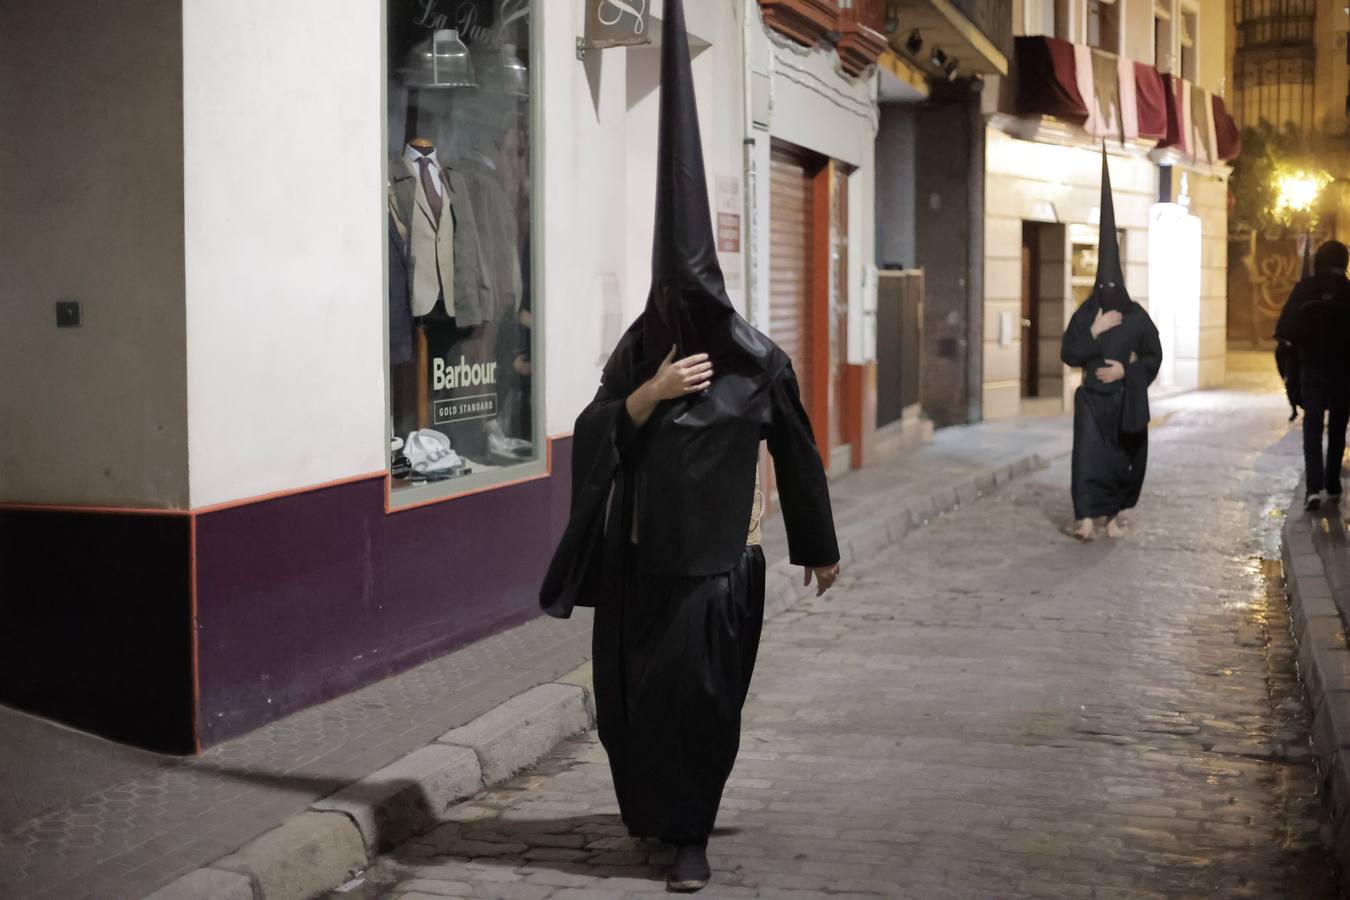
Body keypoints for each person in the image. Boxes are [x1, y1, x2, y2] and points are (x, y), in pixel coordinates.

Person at [539, 1, 840, 892]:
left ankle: (692, 835)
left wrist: (816, 551)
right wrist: (651, 393)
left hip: (715, 571)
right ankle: (652, 816)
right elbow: (596, 432)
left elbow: (798, 452)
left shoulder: (757, 360)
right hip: (639, 568)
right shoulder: (640, 350)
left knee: (702, 705)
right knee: (631, 713)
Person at [1060, 148, 1164, 541]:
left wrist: (1128, 371)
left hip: (1123, 401)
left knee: (1121, 460)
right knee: (1087, 459)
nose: (1106, 292)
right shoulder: (1088, 313)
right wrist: (1094, 331)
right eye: (1101, 289)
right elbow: (1070, 353)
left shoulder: (1137, 317)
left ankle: (1114, 516)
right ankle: (1086, 518)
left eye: (1111, 288)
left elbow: (1154, 355)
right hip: (1091, 399)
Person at [1275, 239, 1350, 511]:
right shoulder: (1348, 291)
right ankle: (1333, 483)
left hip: (1313, 368)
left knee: (1313, 425)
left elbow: (1285, 335)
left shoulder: (1305, 290)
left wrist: (1290, 381)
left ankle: (1313, 488)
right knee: (1339, 425)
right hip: (1343, 372)